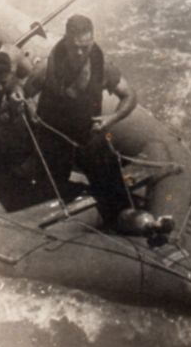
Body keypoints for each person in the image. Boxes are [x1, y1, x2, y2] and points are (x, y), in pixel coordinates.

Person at [24, 14, 138, 228]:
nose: (79, 53)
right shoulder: (46, 68)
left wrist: (112, 118)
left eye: (85, 47)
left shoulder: (104, 68)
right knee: (46, 193)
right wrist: (28, 107)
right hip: (54, 136)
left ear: (92, 42)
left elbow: (130, 95)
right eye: (75, 47)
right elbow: (25, 94)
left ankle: (127, 220)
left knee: (114, 190)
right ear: (66, 40)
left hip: (88, 134)